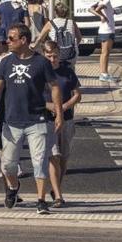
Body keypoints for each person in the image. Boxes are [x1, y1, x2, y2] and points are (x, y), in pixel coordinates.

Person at [0, 23, 63, 215]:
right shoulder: (6, 62)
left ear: (24, 40)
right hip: (11, 121)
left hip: (37, 120)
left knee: (40, 161)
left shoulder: (41, 62)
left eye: (11, 38)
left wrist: (59, 113)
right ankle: (13, 187)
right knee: (7, 165)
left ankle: (41, 200)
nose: (8, 41)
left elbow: (54, 87)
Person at [42, 40, 81, 208]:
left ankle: (57, 186)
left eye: (55, 56)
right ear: (44, 55)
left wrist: (63, 106)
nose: (52, 59)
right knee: (54, 156)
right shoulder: (40, 72)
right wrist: (49, 106)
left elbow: (77, 94)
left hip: (67, 118)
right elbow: (34, 96)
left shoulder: (67, 72)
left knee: (64, 157)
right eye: (49, 56)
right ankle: (58, 195)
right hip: (48, 119)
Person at [32, 2, 81, 67]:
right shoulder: (72, 22)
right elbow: (79, 37)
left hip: (55, 55)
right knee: (70, 70)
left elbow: (40, 38)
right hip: (71, 55)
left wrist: (34, 46)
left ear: (55, 12)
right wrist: (74, 46)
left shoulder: (50, 23)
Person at [90, 0, 116, 82]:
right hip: (107, 30)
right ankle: (104, 73)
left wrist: (109, 13)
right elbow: (96, 9)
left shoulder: (103, 1)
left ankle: (103, 73)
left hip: (105, 30)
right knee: (105, 53)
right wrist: (101, 16)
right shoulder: (106, 1)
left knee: (103, 53)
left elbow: (91, 8)